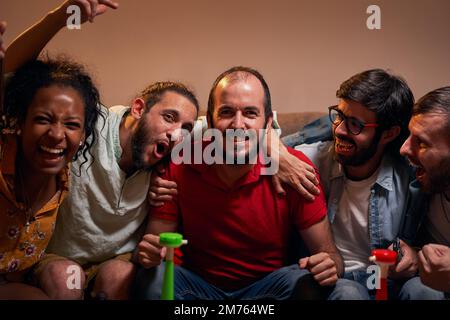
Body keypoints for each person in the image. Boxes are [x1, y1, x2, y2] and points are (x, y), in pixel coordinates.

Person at [4, 0, 320, 299]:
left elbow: (241, 126)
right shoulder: (88, 123)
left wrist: (276, 150)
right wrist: (60, 17)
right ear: (139, 108)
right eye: (168, 117)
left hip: (115, 262)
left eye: (185, 127)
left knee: (120, 278)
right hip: (60, 257)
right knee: (64, 278)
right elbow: (14, 78)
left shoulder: (185, 141)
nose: (176, 135)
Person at [133, 66, 344, 300]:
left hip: (269, 289)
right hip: (197, 288)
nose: (237, 124)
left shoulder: (295, 170)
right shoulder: (180, 163)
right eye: (226, 112)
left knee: (330, 287)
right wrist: (149, 254)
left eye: (250, 113)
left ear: (268, 123)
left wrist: (329, 265)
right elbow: (155, 247)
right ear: (210, 122)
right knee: (153, 278)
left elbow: (330, 255)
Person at [285, 69, 429, 299]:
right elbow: (255, 145)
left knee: (424, 290)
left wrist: (415, 255)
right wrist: (277, 153)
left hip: (391, 283)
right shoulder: (309, 161)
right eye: (339, 116)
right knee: (350, 294)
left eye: (355, 124)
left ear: (389, 133)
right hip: (339, 284)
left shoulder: (412, 175)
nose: (339, 130)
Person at [0, 53, 103, 299]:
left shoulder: (64, 174)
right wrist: (60, 17)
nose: (57, 135)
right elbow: (9, 72)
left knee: (69, 278)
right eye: (43, 119)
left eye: (71, 125)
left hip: (18, 274)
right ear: (20, 121)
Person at [399, 86, 450, 298]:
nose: (404, 149)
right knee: (418, 289)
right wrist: (284, 155)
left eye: (421, 143)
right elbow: (354, 117)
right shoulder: (425, 178)